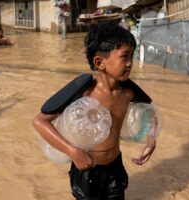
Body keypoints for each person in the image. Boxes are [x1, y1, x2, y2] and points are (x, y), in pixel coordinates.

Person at [33, 22, 156, 199]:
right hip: (86, 170)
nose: (130, 63)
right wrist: (72, 152)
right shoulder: (83, 91)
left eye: (132, 56)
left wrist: (151, 141)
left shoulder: (128, 92)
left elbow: (151, 112)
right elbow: (40, 121)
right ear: (100, 62)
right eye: (124, 56)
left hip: (115, 166)